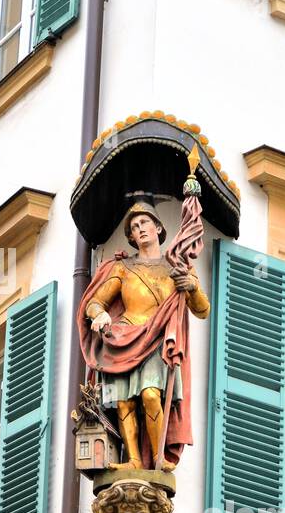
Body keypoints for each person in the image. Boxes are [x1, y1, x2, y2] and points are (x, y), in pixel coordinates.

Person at [80, 197, 209, 471]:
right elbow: (96, 302)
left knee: (151, 394)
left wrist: (192, 288)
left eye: (145, 223)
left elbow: (202, 310)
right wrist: (99, 314)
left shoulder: (177, 265)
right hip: (122, 338)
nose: (140, 229)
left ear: (159, 228)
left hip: (156, 340)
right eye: (134, 226)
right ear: (130, 237)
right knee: (124, 402)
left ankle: (159, 456)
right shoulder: (123, 268)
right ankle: (134, 460)